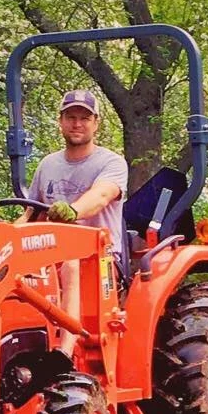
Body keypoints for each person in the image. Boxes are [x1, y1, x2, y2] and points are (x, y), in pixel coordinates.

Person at [27, 89, 129, 355]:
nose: (77, 123)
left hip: (99, 258)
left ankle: (65, 351)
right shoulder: (47, 165)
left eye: (84, 118)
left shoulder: (111, 162)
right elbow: (30, 214)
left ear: (95, 123)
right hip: (48, 254)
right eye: (70, 117)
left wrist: (73, 210)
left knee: (70, 262)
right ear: (60, 122)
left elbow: (102, 195)